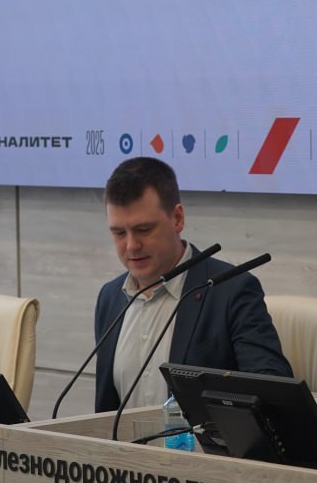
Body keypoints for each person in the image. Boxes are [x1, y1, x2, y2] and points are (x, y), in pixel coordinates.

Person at [93, 157, 292, 412]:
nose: (131, 245)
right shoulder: (110, 297)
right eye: (119, 233)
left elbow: (272, 391)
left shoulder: (231, 290)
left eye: (143, 229)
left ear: (177, 219)